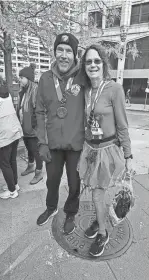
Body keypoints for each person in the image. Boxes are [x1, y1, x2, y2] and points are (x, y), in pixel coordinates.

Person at [77, 44, 133, 257]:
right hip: (90, 149)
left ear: (103, 64)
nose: (92, 65)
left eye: (96, 61)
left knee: (97, 193)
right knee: (95, 191)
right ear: (84, 65)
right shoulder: (86, 90)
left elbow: (122, 124)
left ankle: (103, 233)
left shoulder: (114, 89)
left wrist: (128, 155)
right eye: (88, 61)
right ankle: (99, 219)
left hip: (108, 151)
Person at [36, 33, 85, 234]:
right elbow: (39, 111)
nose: (64, 55)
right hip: (53, 145)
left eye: (68, 51)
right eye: (60, 50)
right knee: (52, 180)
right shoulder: (45, 79)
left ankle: (71, 212)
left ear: (75, 55)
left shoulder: (83, 78)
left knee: (75, 183)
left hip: (76, 145)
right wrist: (41, 142)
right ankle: (51, 207)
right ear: (55, 53)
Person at [18, 63, 43, 185]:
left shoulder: (35, 90)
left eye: (22, 78)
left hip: (33, 128)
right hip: (25, 126)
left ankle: (39, 173)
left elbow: (39, 110)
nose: (20, 80)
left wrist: (34, 126)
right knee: (28, 148)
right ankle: (30, 166)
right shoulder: (23, 91)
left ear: (28, 78)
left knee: (35, 150)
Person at [0, 77, 23, 199]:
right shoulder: (6, 91)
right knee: (12, 160)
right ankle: (14, 184)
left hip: (4, 133)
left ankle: (12, 191)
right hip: (15, 129)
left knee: (4, 163)